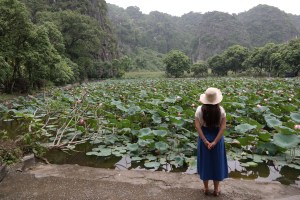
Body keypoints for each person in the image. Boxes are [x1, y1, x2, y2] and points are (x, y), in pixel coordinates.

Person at [194, 87, 228, 196]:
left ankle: (205, 188)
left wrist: (205, 140)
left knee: (205, 163)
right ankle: (216, 189)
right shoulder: (221, 110)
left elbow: (197, 126)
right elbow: (222, 128)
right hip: (217, 137)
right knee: (216, 163)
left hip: (204, 136)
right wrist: (214, 142)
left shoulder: (199, 110)